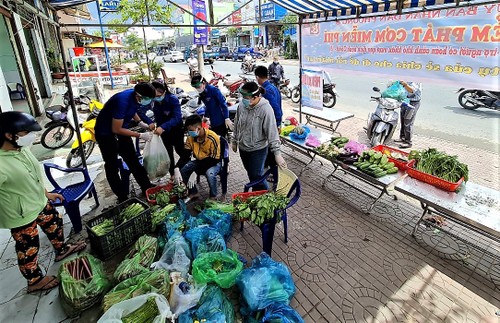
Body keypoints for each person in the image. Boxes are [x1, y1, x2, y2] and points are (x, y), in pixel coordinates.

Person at [0, 112, 87, 293]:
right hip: (21, 214)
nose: (32, 137)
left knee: (54, 223)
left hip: (39, 200)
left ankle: (62, 249)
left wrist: (47, 193)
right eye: (27, 133)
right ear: (9, 135)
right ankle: (35, 281)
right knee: (28, 248)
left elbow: (32, 176)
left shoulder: (21, 149)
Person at [94, 82, 156, 203]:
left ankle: (146, 187)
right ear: (139, 96)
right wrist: (140, 135)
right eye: (147, 99)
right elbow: (116, 129)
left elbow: (132, 110)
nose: (148, 101)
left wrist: (140, 123)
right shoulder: (122, 101)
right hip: (106, 134)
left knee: (133, 159)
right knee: (112, 165)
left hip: (122, 130)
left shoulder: (134, 98)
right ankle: (122, 196)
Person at [232, 82, 287, 190]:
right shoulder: (242, 106)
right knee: (251, 175)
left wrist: (277, 154)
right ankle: (256, 196)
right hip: (243, 148)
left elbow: (272, 132)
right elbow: (237, 123)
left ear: (256, 97)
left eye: (246, 97)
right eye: (243, 97)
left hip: (258, 150)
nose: (244, 100)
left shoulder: (266, 109)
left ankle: (265, 195)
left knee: (256, 176)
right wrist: (234, 140)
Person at [172, 115, 222, 200]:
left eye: (190, 130)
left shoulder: (213, 137)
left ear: (198, 128)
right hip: (199, 161)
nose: (189, 133)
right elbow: (186, 155)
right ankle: (194, 192)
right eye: (188, 130)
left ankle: (213, 195)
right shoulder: (191, 138)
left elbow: (214, 159)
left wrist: (196, 171)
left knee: (210, 174)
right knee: (183, 170)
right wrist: (176, 167)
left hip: (213, 162)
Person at [151, 81, 184, 177]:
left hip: (176, 129)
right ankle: (173, 175)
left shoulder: (172, 99)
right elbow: (157, 117)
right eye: (154, 96)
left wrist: (163, 127)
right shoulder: (155, 103)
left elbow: (177, 118)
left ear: (164, 92)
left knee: (180, 151)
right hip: (164, 132)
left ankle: (183, 170)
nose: (156, 98)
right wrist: (152, 124)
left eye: (158, 95)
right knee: (168, 154)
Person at [255, 65, 283, 168]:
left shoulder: (267, 90)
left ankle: (273, 174)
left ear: (257, 77)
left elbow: (276, 108)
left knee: (271, 149)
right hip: (274, 122)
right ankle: (268, 166)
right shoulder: (272, 87)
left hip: (272, 123)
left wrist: (278, 124)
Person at [395, 81, 422, 148]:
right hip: (405, 101)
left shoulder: (417, 81)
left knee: (408, 122)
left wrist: (405, 85)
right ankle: (402, 137)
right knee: (403, 121)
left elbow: (411, 90)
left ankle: (408, 142)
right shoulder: (406, 78)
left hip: (413, 103)